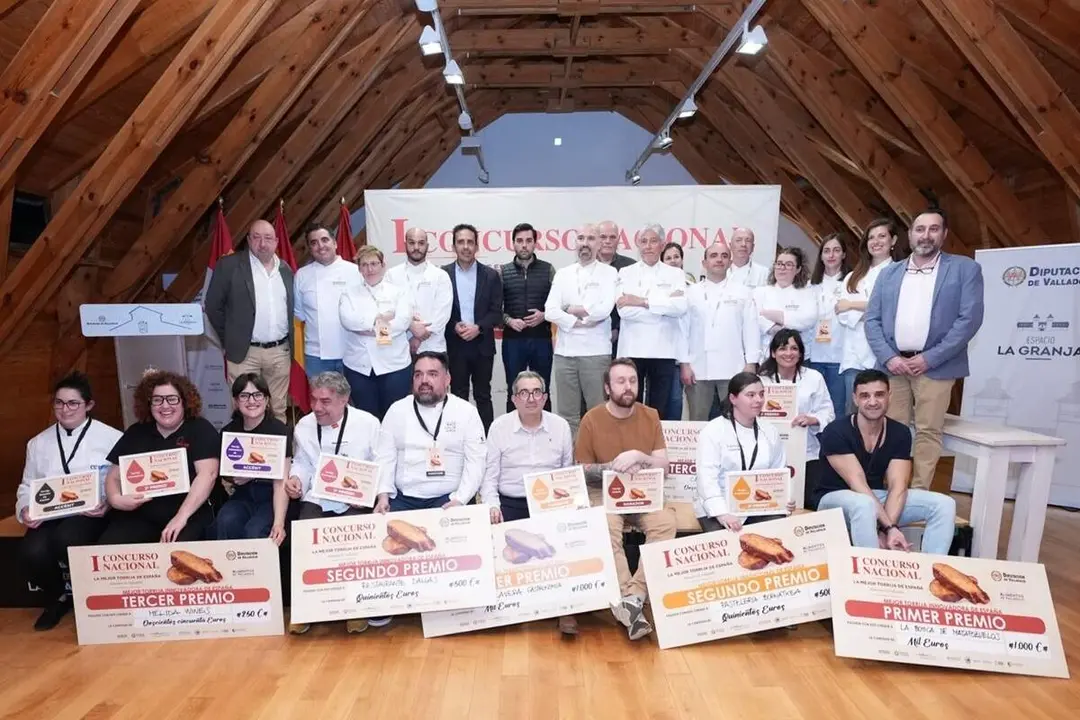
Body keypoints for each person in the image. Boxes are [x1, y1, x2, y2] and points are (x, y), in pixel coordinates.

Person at [865, 208, 984, 490]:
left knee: (928, 432)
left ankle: (918, 494)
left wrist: (929, 358)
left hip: (936, 368)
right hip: (893, 367)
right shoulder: (889, 273)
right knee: (890, 431)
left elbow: (969, 320)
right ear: (910, 235)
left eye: (933, 229)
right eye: (920, 229)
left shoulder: (965, 269)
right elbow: (872, 319)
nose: (926, 235)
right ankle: (892, 490)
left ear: (944, 234)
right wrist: (889, 357)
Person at [576, 358, 675, 641]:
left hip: (645, 490)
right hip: (606, 491)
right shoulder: (592, 419)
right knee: (606, 528)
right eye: (620, 381)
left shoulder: (650, 415)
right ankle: (629, 598)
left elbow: (665, 467)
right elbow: (581, 471)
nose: (628, 387)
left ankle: (632, 598)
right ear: (607, 387)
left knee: (666, 523)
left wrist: (640, 458)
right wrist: (612, 466)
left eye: (632, 380)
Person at [16, 372, 122, 630]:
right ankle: (58, 597)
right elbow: (27, 485)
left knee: (68, 539)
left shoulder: (112, 438)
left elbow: (121, 481)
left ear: (89, 405)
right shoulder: (38, 443)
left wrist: (107, 503)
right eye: (59, 403)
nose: (65, 409)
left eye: (73, 403)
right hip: (50, 514)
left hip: (92, 513)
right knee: (32, 551)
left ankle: (93, 599)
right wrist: (25, 509)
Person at [816, 369, 956, 554]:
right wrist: (888, 527)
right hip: (834, 500)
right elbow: (858, 484)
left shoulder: (900, 432)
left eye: (879, 395)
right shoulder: (835, 431)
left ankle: (930, 571)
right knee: (863, 504)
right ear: (855, 399)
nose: (872, 402)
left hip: (874, 498)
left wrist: (887, 528)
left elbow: (898, 486)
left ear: (889, 396)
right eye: (865, 396)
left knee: (944, 504)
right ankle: (870, 577)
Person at [481, 371, 577, 635]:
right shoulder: (499, 427)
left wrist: (567, 508)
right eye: (524, 393)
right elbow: (489, 477)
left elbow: (566, 472)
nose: (531, 398)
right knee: (504, 552)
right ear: (513, 399)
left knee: (563, 545)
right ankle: (510, 607)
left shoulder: (560, 426)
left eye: (537, 392)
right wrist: (492, 506)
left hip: (548, 504)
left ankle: (564, 610)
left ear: (546, 398)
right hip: (510, 503)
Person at [287, 371, 383, 635]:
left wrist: (380, 494)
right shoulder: (304, 426)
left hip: (355, 498)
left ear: (345, 400)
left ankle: (356, 609)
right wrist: (296, 479)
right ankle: (306, 610)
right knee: (306, 539)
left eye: (325, 401)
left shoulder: (368, 424)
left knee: (355, 545)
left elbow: (381, 462)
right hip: (318, 496)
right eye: (314, 400)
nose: (317, 407)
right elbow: (303, 462)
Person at [100, 371, 221, 545]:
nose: (165, 406)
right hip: (141, 514)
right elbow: (113, 476)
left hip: (189, 513)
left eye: (172, 399)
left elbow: (207, 475)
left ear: (184, 401)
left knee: (177, 552)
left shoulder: (199, 429)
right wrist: (116, 499)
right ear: (148, 404)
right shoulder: (137, 432)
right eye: (157, 400)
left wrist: (180, 518)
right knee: (109, 546)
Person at [205, 219, 295, 422]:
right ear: (248, 240)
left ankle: (277, 453)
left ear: (277, 242)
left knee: (278, 410)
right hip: (244, 353)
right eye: (257, 237)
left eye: (268, 238)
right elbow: (213, 307)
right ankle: (242, 454)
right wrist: (231, 338)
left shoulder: (286, 270)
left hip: (280, 353)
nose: (263, 244)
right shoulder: (229, 266)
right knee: (243, 409)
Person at [375, 351, 487, 512]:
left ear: (447, 379)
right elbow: (384, 457)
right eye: (418, 375)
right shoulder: (397, 410)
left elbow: (476, 461)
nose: (424, 381)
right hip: (402, 499)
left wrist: (460, 499)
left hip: (449, 499)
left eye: (432, 374)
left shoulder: (466, 412)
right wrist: (383, 495)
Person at [545, 224, 618, 434]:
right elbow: (549, 310)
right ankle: (571, 464)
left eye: (591, 239)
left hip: (595, 354)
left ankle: (599, 464)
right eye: (581, 238)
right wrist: (575, 321)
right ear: (575, 242)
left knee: (599, 413)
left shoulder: (609, 273)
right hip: (565, 354)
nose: (585, 243)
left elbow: (604, 309)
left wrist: (572, 309)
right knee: (567, 416)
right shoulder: (562, 274)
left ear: (599, 244)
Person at [694, 372, 788, 532]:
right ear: (733, 399)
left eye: (761, 394)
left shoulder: (770, 431)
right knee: (727, 545)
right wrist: (722, 514)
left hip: (758, 505)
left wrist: (783, 499)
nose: (758, 400)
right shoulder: (713, 431)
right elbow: (706, 479)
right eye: (750, 395)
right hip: (719, 505)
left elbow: (779, 472)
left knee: (775, 537)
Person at [678, 241, 759, 422]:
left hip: (734, 368)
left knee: (735, 420)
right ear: (704, 262)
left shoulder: (743, 292)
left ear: (730, 262)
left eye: (724, 256)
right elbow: (683, 331)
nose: (719, 260)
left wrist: (751, 363)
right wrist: (684, 363)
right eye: (713, 256)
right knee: (697, 420)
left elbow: (751, 329)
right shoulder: (690, 293)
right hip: (698, 368)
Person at [616, 223, 688, 420]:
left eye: (653, 241)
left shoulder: (675, 273)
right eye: (644, 241)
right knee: (631, 406)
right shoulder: (625, 272)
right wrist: (663, 304)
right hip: (633, 349)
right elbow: (625, 312)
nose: (648, 246)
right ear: (638, 245)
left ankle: (653, 449)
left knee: (659, 410)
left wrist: (640, 301)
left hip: (663, 349)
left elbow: (679, 308)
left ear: (662, 244)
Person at [211, 374, 291, 544]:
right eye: (244, 396)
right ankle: (229, 570)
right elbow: (226, 473)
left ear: (267, 399)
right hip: (243, 496)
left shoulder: (279, 431)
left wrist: (279, 523)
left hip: (272, 498)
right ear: (235, 401)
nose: (251, 401)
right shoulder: (229, 432)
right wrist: (234, 476)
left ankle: (261, 571)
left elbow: (282, 481)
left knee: (255, 531)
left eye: (257, 395)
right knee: (226, 520)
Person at [758, 330, 835, 505]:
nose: (788, 353)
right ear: (773, 353)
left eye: (794, 348)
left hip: (806, 452)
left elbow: (828, 413)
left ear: (800, 353)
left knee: (811, 501)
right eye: (782, 348)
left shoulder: (814, 377)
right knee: (772, 502)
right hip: (768, 453)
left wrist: (812, 419)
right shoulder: (761, 381)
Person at [339, 246, 412, 420]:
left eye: (374, 264)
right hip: (359, 367)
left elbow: (402, 321)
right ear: (359, 269)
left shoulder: (399, 291)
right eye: (364, 265)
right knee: (366, 418)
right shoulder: (349, 293)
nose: (369, 269)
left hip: (395, 366)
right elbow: (348, 320)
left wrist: (366, 328)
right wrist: (382, 319)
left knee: (394, 417)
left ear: (383, 265)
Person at [443, 223, 503, 431]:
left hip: (482, 344)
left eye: (470, 242)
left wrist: (478, 327)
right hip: (456, 345)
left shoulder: (491, 276)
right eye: (461, 242)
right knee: (457, 396)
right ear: (453, 246)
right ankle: (459, 438)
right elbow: (440, 310)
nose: (466, 247)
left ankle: (487, 440)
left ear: (477, 247)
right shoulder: (443, 275)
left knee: (483, 395)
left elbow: (496, 312)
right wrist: (454, 326)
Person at [836, 219, 899, 410]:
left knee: (881, 412)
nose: (876, 241)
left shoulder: (899, 273)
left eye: (882, 236)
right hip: (853, 356)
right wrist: (869, 310)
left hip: (883, 356)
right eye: (871, 237)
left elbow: (891, 311)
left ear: (893, 240)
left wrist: (853, 305)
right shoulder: (853, 276)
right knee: (852, 412)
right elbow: (841, 313)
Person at [499, 222, 556, 412]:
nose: (524, 245)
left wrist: (545, 315)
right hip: (513, 341)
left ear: (535, 243)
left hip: (541, 339)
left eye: (528, 241)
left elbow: (558, 304)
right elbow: (494, 309)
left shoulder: (548, 270)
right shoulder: (502, 272)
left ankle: (547, 436)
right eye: (520, 241)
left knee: (543, 389)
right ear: (513, 244)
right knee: (514, 391)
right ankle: (511, 435)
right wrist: (508, 321)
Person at [293, 222, 359, 377]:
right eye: (314, 243)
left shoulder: (355, 271)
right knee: (321, 400)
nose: (320, 246)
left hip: (352, 353)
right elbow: (300, 315)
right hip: (316, 357)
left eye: (325, 240)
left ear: (335, 243)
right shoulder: (301, 275)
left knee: (352, 401)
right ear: (310, 249)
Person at [385, 227, 453, 356]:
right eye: (411, 243)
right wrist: (410, 325)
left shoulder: (440, 276)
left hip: (433, 347)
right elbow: (388, 309)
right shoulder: (392, 275)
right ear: (405, 244)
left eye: (421, 243)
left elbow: (443, 312)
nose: (416, 247)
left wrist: (418, 337)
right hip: (399, 348)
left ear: (427, 246)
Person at [808, 234, 851, 419]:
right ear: (821, 256)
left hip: (839, 357)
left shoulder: (852, 282)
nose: (831, 255)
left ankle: (836, 448)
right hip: (813, 356)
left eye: (836, 250)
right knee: (813, 410)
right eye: (826, 251)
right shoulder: (811, 285)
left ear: (843, 254)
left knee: (837, 410)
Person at [753, 246, 817, 363]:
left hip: (799, 358)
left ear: (798, 269)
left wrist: (777, 316)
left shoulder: (807, 292)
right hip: (768, 356)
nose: (782, 268)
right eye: (779, 263)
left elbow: (808, 319)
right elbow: (755, 318)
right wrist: (774, 328)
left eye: (788, 264)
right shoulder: (760, 292)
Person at [660, 242, 695, 420]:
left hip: (693, 354)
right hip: (669, 354)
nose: (673, 261)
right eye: (668, 258)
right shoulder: (658, 288)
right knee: (673, 401)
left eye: (676, 257)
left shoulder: (693, 287)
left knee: (696, 404)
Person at [596, 220, 636, 355]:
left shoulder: (631, 267)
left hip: (625, 335)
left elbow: (633, 301)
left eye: (612, 237)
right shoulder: (585, 266)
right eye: (603, 237)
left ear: (618, 240)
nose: (607, 241)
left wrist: (617, 328)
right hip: (591, 335)